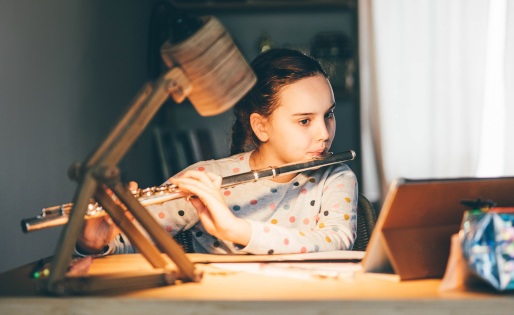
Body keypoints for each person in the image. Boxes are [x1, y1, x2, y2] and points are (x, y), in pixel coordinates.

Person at [77, 48, 358, 256]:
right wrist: (95, 243)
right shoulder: (207, 179)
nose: (324, 133)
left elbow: (336, 241)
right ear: (262, 127)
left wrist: (234, 230)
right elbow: (136, 240)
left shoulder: (335, 176)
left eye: (329, 115)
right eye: (305, 121)